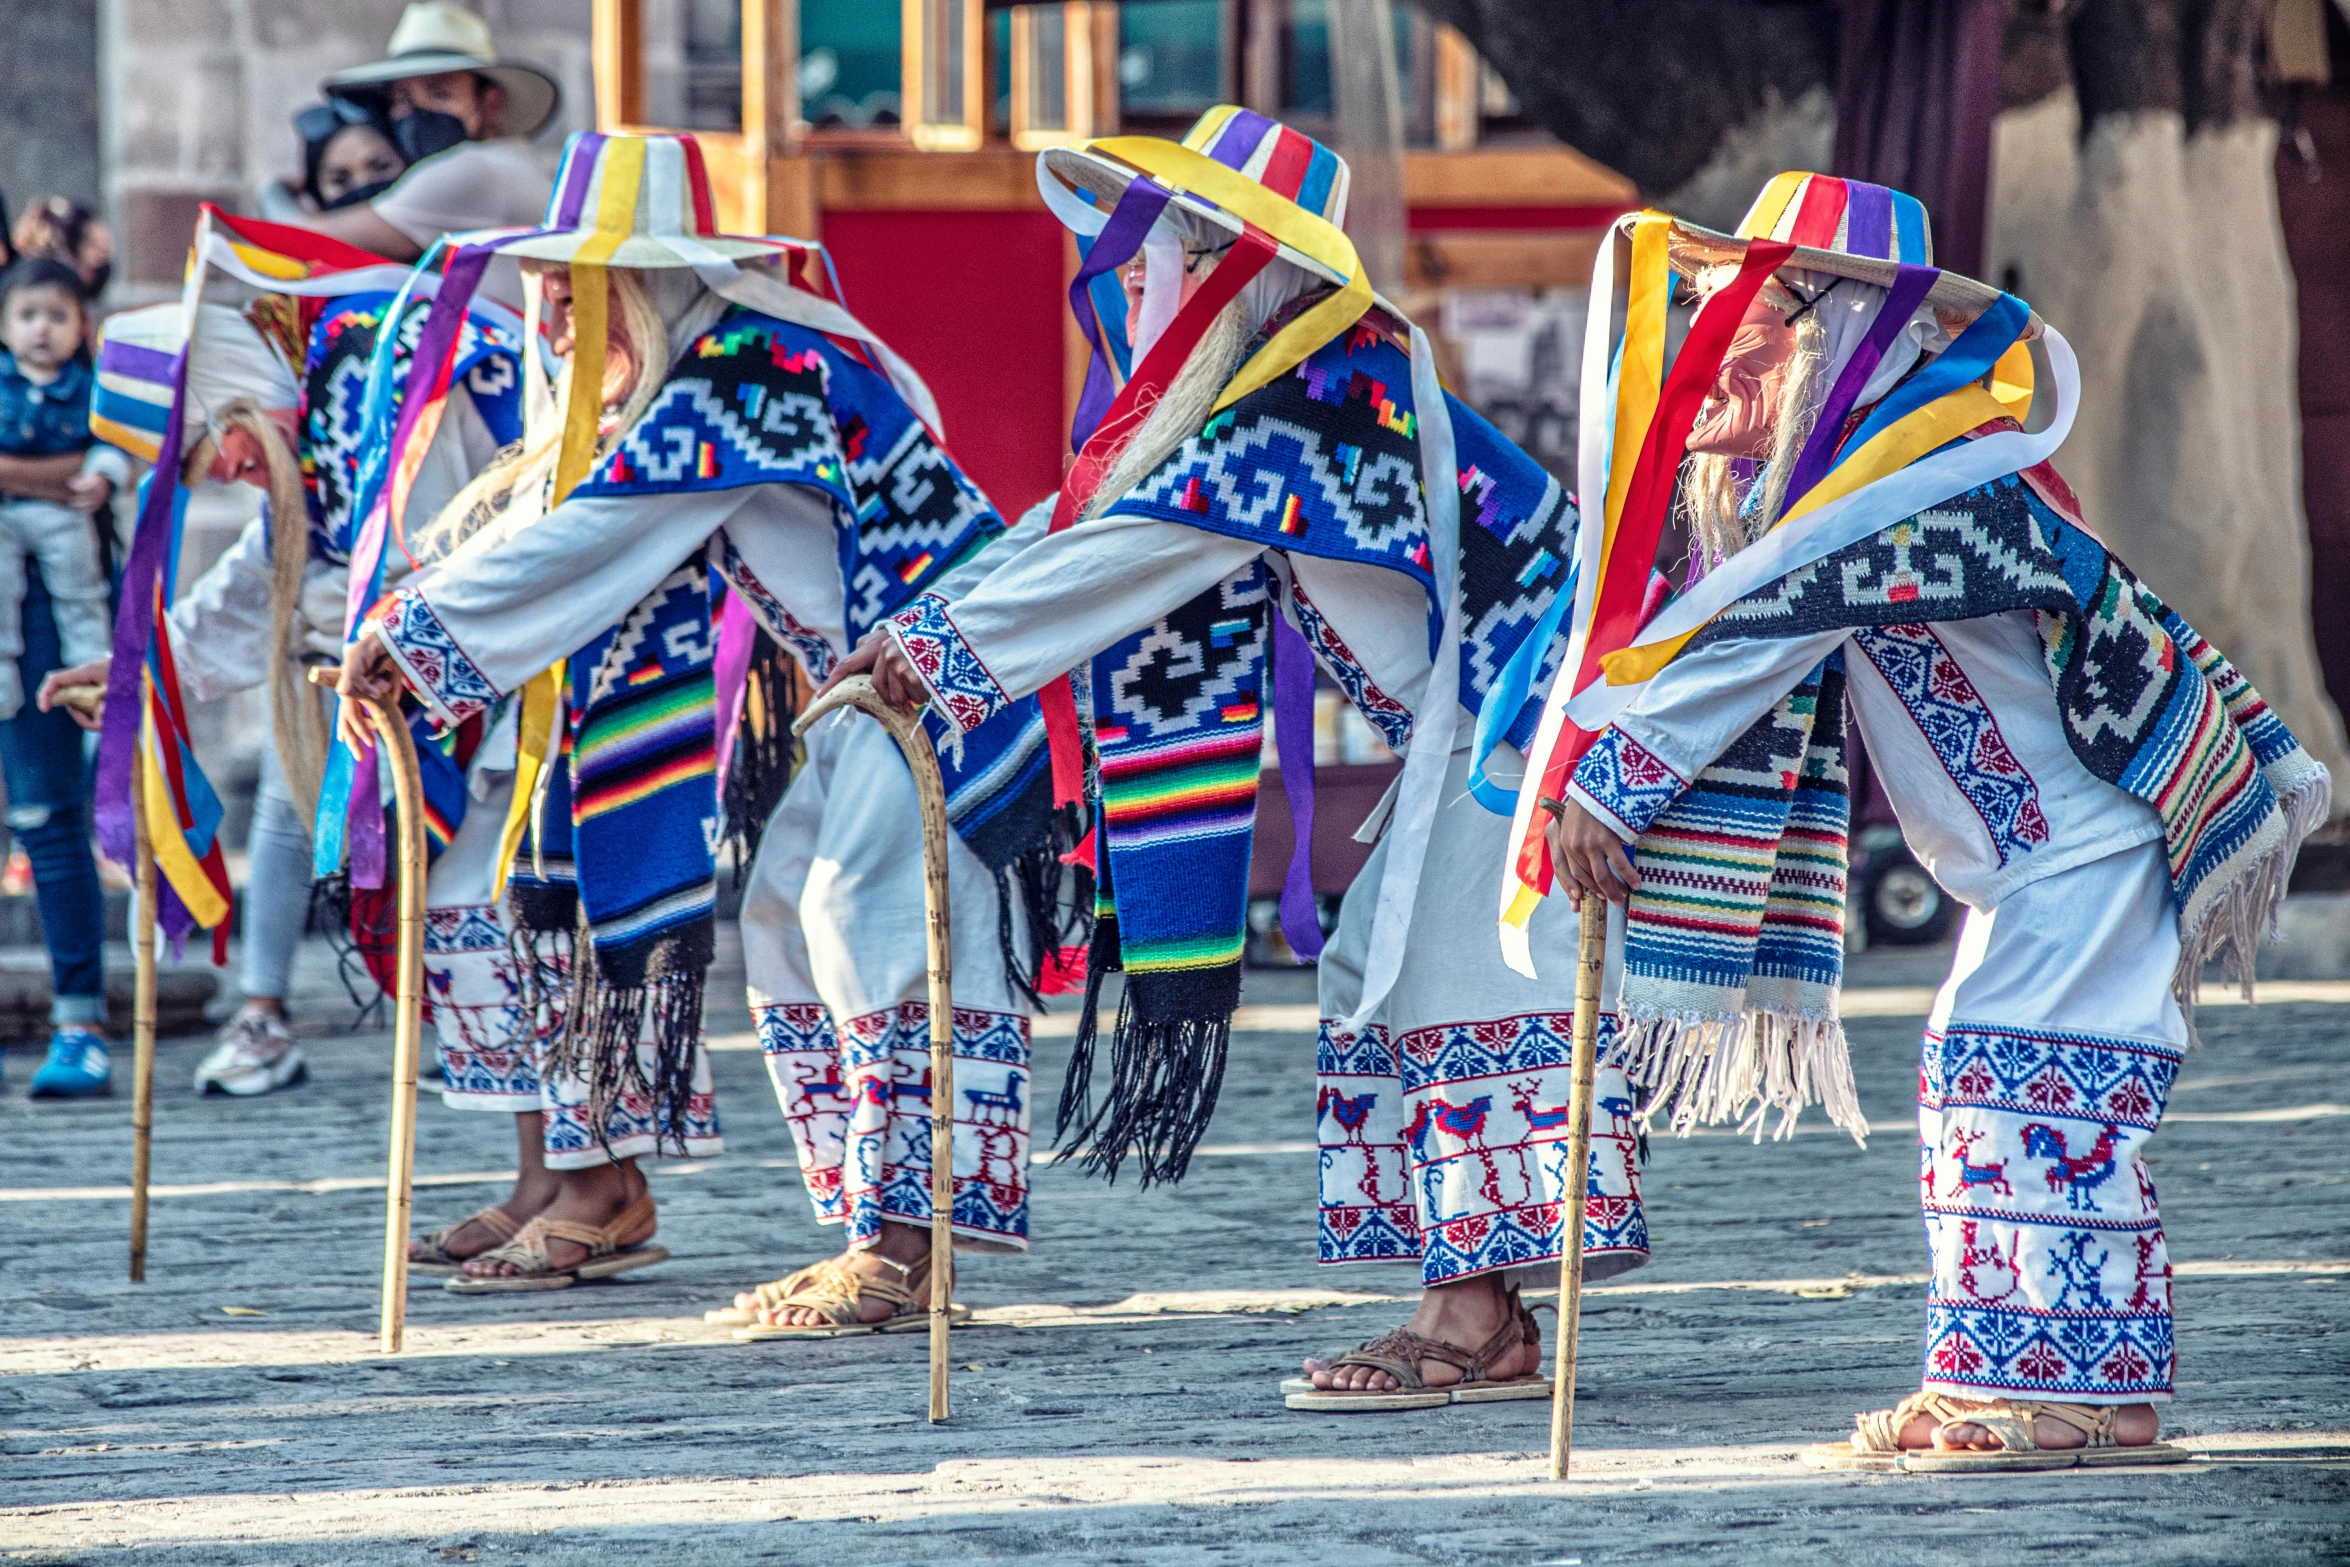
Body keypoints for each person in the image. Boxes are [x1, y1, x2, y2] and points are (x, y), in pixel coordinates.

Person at [825, 106, 1650, 1405]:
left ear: (1226, 269)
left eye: (1157, 252)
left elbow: (1137, 545)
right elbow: (1097, 522)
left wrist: (932, 648)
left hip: (1536, 719)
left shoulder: (1311, 401)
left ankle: (1470, 1315)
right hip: (1496, 719)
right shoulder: (1296, 390)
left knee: (1438, 971)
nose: (1127, 280)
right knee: (1381, 966)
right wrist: (928, 629)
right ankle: (1472, 1306)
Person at [1514, 174, 2327, 1467]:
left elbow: (1751, 647)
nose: (1708, 343)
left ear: (1835, 333)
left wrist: (1610, 783)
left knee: (2010, 1086)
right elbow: (1749, 625)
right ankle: (2061, 1388)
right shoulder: (1898, 483)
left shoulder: (1906, 488)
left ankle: (2047, 1396)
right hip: (2058, 858)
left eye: (1751, 316)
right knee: (2006, 1086)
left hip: (2085, 851)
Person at [335, 132, 1065, 1309]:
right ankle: (876, 1230)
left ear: (645, 285)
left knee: (859, 919)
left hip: (921, 680)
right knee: (790, 913)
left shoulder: (745, 375)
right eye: (543, 306)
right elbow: (591, 531)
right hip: (871, 685)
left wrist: (416, 636)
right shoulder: (740, 367)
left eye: (573, 301)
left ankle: (899, 1247)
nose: (556, 335)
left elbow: (600, 539)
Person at [0, 258, 125, 1097]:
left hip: (47, 619)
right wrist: (54, 472)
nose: (41, 328)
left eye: (57, 314)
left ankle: (78, 1019)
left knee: (48, 815)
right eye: (28, 314)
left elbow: (112, 453)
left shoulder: (94, 382)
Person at [284, 1, 556, 285]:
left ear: (490, 103)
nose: (417, 113)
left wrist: (277, 192)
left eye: (439, 94)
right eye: (403, 99)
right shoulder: (508, 161)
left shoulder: (473, 171)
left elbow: (299, 239)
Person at [9, 197, 111, 304]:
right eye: (93, 245)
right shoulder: (48, 276)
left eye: (106, 247)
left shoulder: (100, 273)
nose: (103, 254)